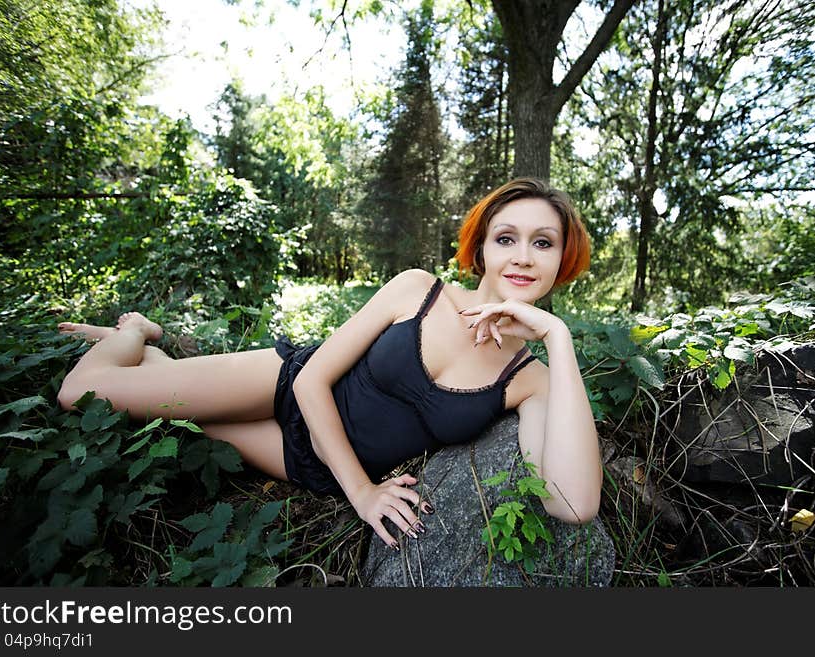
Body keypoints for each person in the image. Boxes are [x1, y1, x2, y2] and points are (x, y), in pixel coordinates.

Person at [57, 178, 603, 550]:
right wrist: (362, 494)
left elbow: (572, 503)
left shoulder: (531, 379)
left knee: (184, 420)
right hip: (283, 386)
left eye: (544, 243)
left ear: (564, 258)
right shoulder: (419, 290)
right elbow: (314, 377)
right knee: (81, 393)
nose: (524, 256)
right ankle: (134, 332)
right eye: (507, 238)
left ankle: (156, 360)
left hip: (311, 464)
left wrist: (558, 338)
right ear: (481, 247)